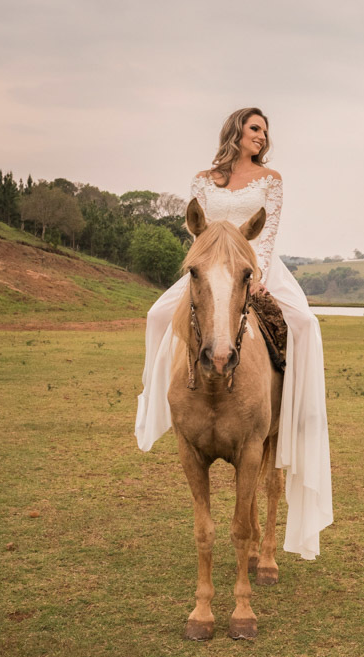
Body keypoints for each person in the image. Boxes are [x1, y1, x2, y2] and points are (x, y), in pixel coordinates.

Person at [135, 107, 333, 559]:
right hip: (211, 269)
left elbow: (267, 233)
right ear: (236, 132)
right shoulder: (204, 180)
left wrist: (254, 272)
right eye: (255, 129)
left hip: (255, 266)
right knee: (155, 316)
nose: (262, 137)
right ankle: (159, 403)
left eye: (264, 131)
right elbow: (199, 235)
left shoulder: (271, 179)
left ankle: (294, 409)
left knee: (304, 323)